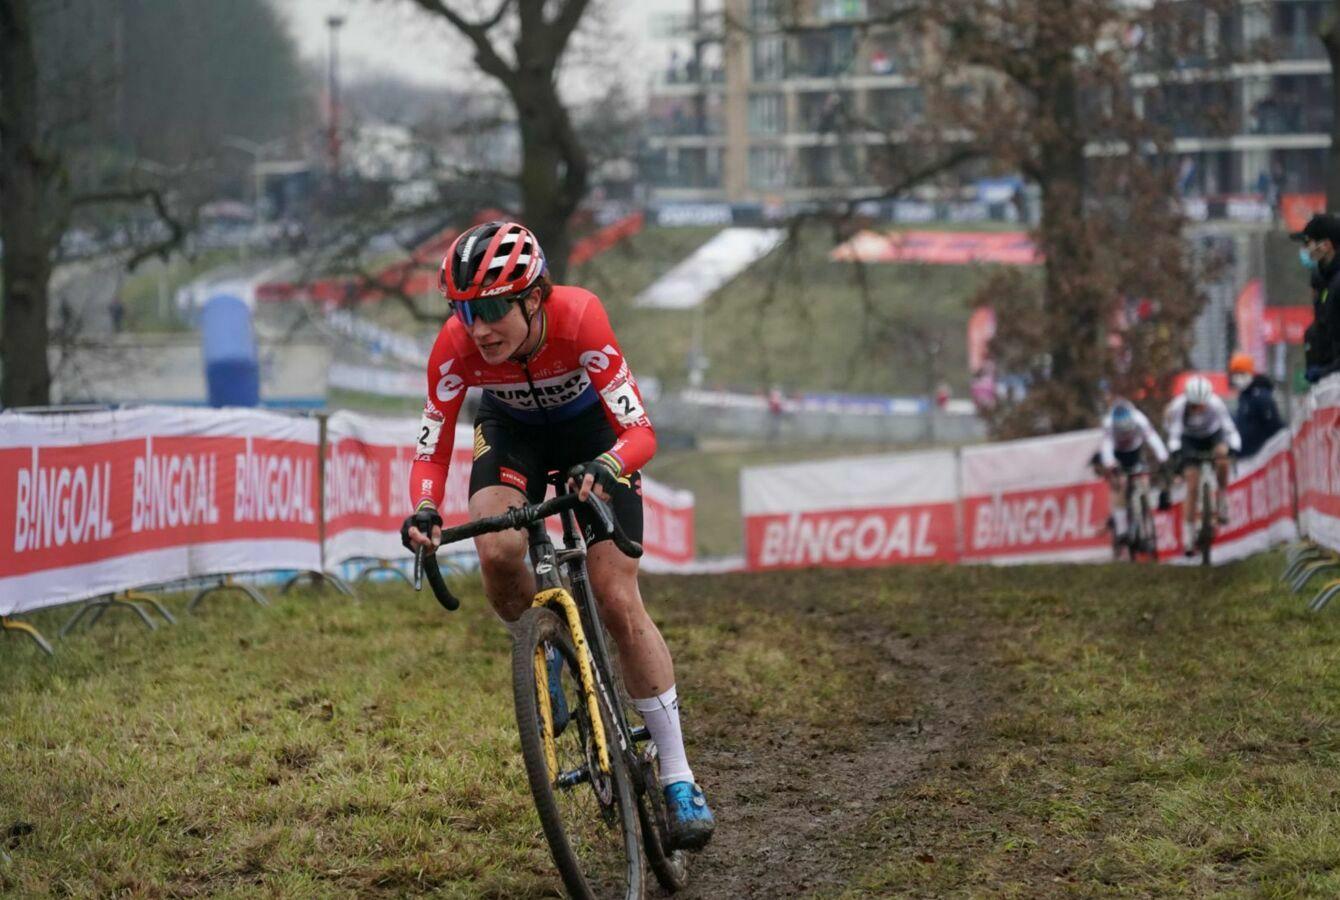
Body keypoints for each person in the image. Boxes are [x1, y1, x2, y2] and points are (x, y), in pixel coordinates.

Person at [399, 220, 715, 850]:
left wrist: (609, 466)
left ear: (534, 297)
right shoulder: (454, 348)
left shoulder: (580, 319)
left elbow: (642, 432)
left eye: (492, 308)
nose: (478, 327)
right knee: (497, 547)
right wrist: (426, 510)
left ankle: (679, 776)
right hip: (512, 436)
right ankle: (543, 650)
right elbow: (431, 449)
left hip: (597, 438)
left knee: (615, 598)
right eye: (464, 310)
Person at [1165, 375, 1242, 555]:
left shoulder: (1215, 404)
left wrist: (1234, 448)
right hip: (1190, 439)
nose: (1198, 409)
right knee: (1192, 485)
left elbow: (1229, 429)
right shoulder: (1179, 406)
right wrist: (1176, 452)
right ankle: (1188, 538)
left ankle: (1222, 499)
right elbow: (1174, 435)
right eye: (1194, 405)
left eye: (1202, 405)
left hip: (1213, 436)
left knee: (1222, 457)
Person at [1099, 399, 1169, 551]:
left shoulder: (1140, 419)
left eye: (1127, 431)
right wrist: (1111, 464)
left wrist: (1163, 457)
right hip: (1118, 455)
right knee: (1120, 485)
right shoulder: (1108, 424)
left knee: (1143, 482)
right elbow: (1106, 447)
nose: (1125, 435)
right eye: (1122, 432)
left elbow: (1153, 438)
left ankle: (1144, 521)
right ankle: (1123, 529)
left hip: (1136, 452)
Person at [1290, 214, 1340, 383]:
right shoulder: (1325, 281)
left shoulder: (1335, 284)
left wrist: (1328, 370)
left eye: (1308, 243)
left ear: (1325, 245)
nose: (1305, 250)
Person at [1228, 352, 1283, 458]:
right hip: (1246, 456)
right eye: (1235, 374)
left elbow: (1273, 425)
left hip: (1261, 455)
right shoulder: (1244, 397)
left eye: (1241, 373)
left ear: (1250, 373)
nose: (1238, 378)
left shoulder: (1261, 397)